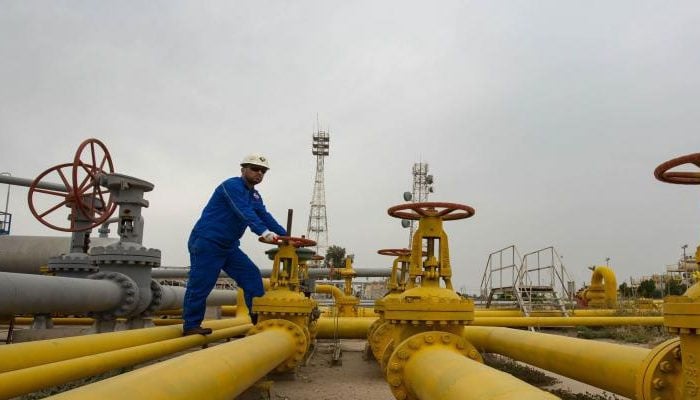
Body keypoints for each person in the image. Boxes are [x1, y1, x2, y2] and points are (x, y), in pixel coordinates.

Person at [182, 153, 287, 336]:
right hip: (207, 242)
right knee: (201, 284)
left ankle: (258, 321)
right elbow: (243, 212)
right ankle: (191, 325)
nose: (259, 173)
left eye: (263, 171)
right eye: (254, 169)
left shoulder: (254, 195)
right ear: (243, 169)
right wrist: (263, 232)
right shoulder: (231, 186)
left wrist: (287, 237)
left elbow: (264, 215)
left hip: (228, 246)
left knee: (252, 276)